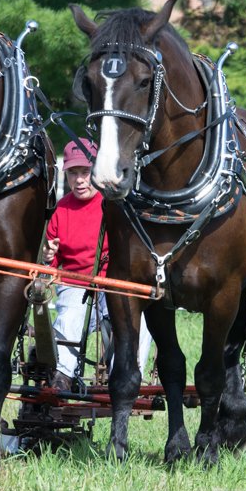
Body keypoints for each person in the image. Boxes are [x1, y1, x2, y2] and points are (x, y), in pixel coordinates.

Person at [42, 139, 150, 391]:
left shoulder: (114, 204)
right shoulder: (61, 209)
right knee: (68, 319)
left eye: (85, 172)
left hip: (111, 283)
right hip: (74, 283)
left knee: (140, 320)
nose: (79, 180)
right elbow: (52, 256)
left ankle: (128, 377)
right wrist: (49, 255)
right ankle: (64, 376)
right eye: (73, 173)